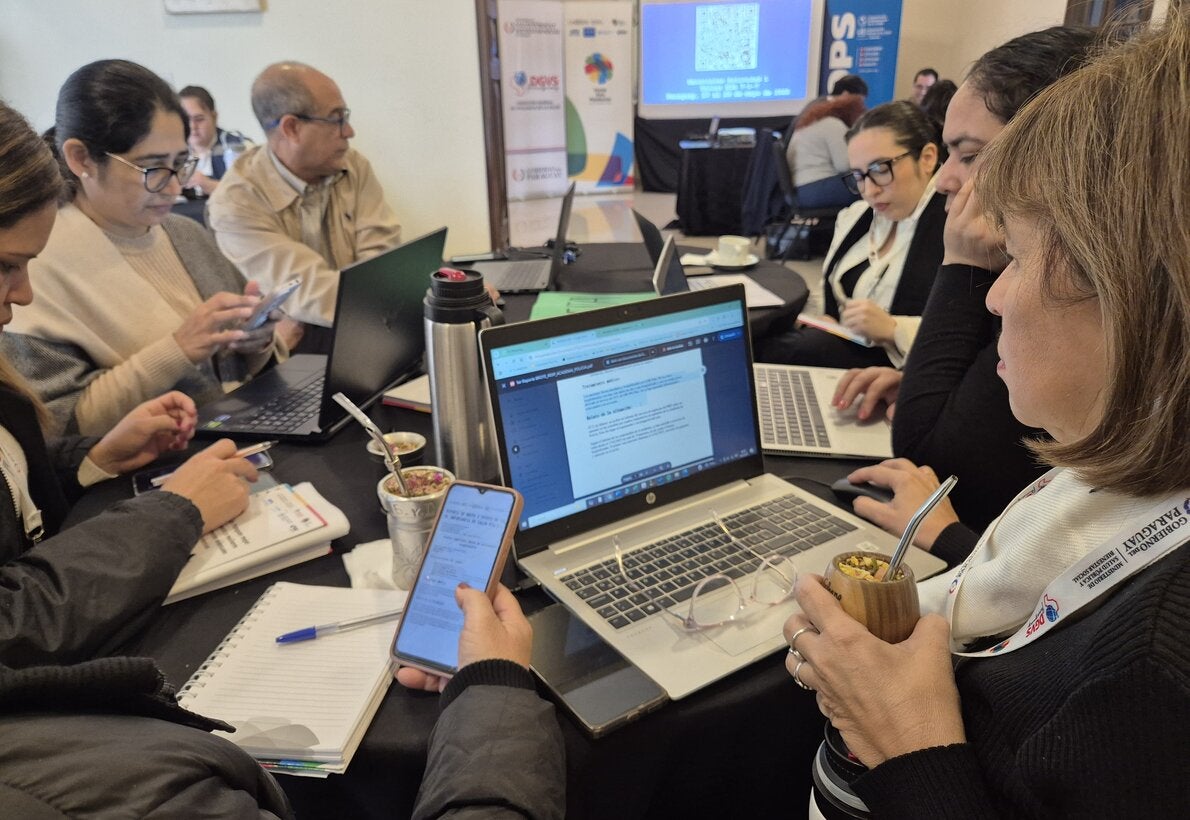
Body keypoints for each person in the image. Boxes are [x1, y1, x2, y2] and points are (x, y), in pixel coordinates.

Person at [786, 12, 1190, 816]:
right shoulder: (1119, 483)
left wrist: (911, 744)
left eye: (1025, 254)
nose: (995, 291)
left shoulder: (1151, 667)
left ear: (1135, 293)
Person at [830, 27, 1100, 532]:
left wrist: (963, 263)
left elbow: (930, 454)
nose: (947, 180)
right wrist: (925, 385)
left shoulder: (1072, 297)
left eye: (970, 155)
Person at [0, 60, 279, 437]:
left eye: (180, 164)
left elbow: (233, 371)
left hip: (233, 438)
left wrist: (254, 343)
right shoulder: (31, 266)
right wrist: (178, 349)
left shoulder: (184, 234)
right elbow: (58, 426)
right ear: (80, 158)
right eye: (152, 168)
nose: (174, 187)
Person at [207, 61, 403, 353]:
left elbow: (383, 262)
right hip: (286, 356)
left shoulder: (354, 166)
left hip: (367, 332)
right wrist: (413, 301)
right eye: (336, 119)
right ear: (292, 128)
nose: (348, 131)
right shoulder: (235, 203)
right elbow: (306, 290)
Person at [759, 101, 945, 369]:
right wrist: (826, 319)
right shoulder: (857, 216)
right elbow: (831, 297)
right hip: (845, 343)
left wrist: (895, 329)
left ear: (927, 158)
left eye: (881, 169)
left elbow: (975, 337)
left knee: (771, 351)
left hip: (901, 367)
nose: (869, 190)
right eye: (858, 175)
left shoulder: (955, 230)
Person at [785, 92, 866, 209]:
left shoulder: (808, 124)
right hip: (817, 188)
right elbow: (844, 165)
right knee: (871, 183)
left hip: (800, 192)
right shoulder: (833, 124)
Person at [178, 84, 253, 196]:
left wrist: (209, 185)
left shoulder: (240, 147)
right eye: (186, 120)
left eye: (199, 119)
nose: (192, 126)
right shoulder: (174, 152)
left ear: (214, 117)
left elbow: (254, 193)